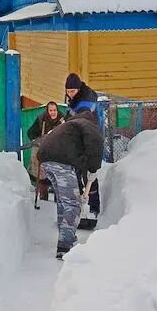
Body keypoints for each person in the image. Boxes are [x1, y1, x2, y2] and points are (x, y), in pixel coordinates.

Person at [37, 108, 104, 259]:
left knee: (63, 202)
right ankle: (65, 246)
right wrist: (93, 169)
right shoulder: (89, 124)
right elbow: (95, 145)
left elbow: (78, 158)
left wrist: (82, 185)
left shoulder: (71, 126)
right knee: (73, 204)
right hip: (61, 161)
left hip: (46, 158)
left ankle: (67, 238)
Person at [64, 73, 101, 216]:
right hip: (80, 139)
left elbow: (81, 122)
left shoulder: (85, 104)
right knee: (76, 171)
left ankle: (93, 208)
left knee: (89, 174)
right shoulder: (76, 99)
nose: (70, 94)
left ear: (79, 89)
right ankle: (80, 204)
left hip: (90, 140)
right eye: (68, 91)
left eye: (72, 91)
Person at [26, 101, 64, 200]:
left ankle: (58, 197)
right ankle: (43, 196)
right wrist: (38, 140)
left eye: (54, 110)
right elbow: (31, 133)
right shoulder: (41, 119)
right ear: (47, 111)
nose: (53, 112)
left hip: (58, 150)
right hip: (44, 149)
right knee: (42, 172)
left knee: (57, 174)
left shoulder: (62, 120)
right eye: (50, 110)